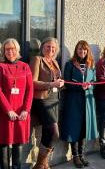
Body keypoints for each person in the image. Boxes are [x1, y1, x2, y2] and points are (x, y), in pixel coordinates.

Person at [0, 38, 34, 169]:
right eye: (7, 49)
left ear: (17, 50)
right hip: (5, 112)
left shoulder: (25, 66)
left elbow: (30, 89)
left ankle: (17, 167)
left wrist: (26, 110)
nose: (10, 52)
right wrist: (8, 110)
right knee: (3, 141)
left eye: (13, 49)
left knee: (18, 141)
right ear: (3, 51)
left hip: (21, 111)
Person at [61, 40, 98, 168]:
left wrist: (89, 86)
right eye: (79, 49)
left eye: (84, 49)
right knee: (74, 127)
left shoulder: (91, 65)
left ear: (87, 51)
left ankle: (82, 154)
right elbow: (66, 83)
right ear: (76, 50)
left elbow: (94, 81)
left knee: (83, 127)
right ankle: (75, 156)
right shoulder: (70, 64)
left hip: (87, 101)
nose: (82, 51)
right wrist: (79, 87)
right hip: (73, 101)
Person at [30, 37, 65, 169]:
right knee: (54, 133)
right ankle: (40, 164)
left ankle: (43, 164)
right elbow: (33, 82)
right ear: (42, 47)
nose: (51, 49)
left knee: (47, 131)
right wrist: (52, 84)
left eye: (53, 48)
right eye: (48, 46)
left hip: (55, 99)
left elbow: (57, 80)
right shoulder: (37, 60)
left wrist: (61, 83)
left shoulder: (54, 62)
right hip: (42, 100)